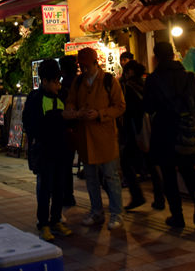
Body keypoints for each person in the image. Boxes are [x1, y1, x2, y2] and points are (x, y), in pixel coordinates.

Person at [143, 41, 195, 229]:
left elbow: (147, 107)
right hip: (185, 130)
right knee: (188, 169)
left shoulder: (153, 80)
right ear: (173, 55)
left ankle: (177, 216)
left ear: (156, 58)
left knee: (169, 175)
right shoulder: (188, 77)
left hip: (164, 132)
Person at [65, 47, 126, 230]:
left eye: (85, 66)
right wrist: (76, 113)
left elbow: (120, 106)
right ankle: (96, 211)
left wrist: (100, 114)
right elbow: (70, 102)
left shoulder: (108, 80)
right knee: (91, 177)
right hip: (85, 137)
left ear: (94, 63)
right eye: (80, 66)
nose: (82, 69)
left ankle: (116, 214)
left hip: (105, 136)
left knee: (111, 176)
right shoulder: (78, 82)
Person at [23, 59, 74, 242]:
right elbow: (31, 124)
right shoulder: (35, 99)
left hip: (62, 149)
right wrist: (58, 118)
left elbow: (69, 120)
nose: (58, 85)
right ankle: (43, 224)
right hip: (44, 150)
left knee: (60, 186)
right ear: (44, 81)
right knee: (45, 188)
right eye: (54, 81)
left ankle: (56, 220)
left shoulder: (62, 96)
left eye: (58, 81)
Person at [119, 60, 165, 212]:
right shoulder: (147, 84)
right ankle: (159, 199)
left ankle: (137, 195)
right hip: (152, 128)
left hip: (136, 130)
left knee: (126, 162)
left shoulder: (128, 88)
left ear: (130, 72)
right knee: (152, 163)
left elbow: (128, 110)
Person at [58, 55, 79, 209]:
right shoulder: (81, 82)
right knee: (94, 165)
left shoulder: (63, 86)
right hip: (84, 126)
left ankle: (68, 196)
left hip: (68, 129)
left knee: (65, 164)